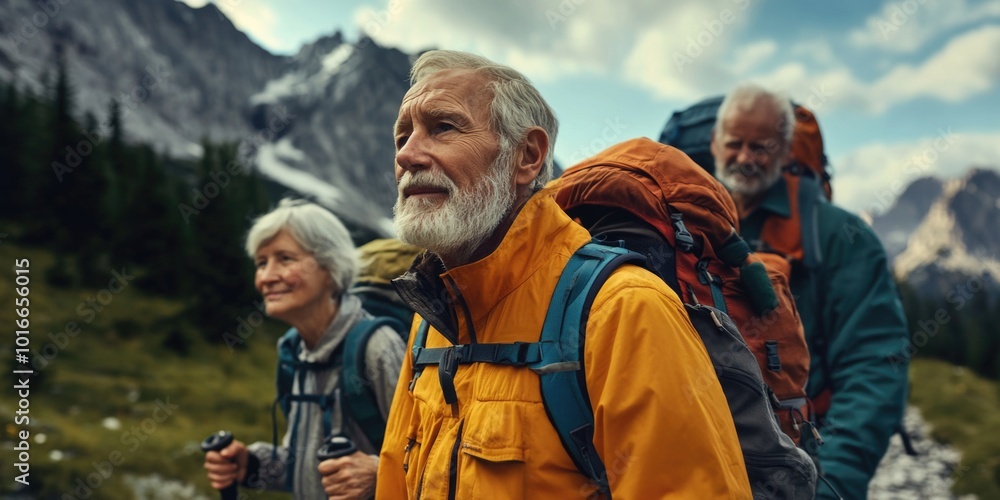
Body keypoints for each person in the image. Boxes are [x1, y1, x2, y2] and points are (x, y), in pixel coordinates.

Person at [375, 50, 751, 498]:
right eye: (402, 136)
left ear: (527, 157)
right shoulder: (433, 315)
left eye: (443, 128)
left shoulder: (625, 309)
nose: (409, 155)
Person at [709, 84, 909, 499]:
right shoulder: (689, 221)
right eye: (735, 144)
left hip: (806, 459)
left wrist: (832, 484)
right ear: (714, 143)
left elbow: (874, 364)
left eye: (761, 147)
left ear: (785, 152)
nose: (745, 158)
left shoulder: (842, 237)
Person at [203, 198, 406, 500]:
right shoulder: (293, 351)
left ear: (330, 266)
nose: (267, 277)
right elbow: (305, 463)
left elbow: (431, 461)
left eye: (285, 259)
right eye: (261, 262)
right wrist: (252, 464)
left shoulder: (378, 347)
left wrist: (380, 475)